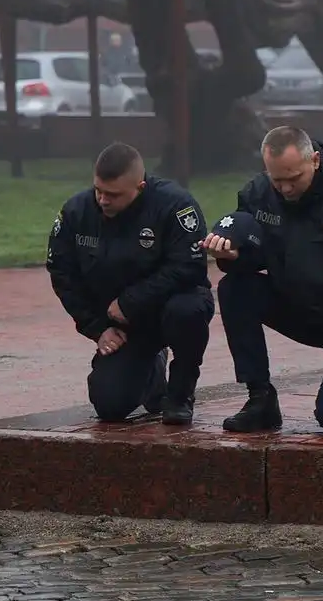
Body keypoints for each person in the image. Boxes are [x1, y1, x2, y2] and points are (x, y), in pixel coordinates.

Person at [202, 126, 323, 434]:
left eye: (293, 178)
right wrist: (231, 255)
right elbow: (256, 254)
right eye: (276, 179)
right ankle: (260, 399)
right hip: (300, 306)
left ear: (316, 160)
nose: (284, 189)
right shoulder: (258, 194)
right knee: (235, 288)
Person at [46, 142, 214, 424]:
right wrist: (97, 328)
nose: (102, 200)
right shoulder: (76, 213)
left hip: (170, 308)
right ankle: (153, 372)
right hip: (123, 325)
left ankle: (180, 393)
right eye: (98, 190)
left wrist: (131, 301)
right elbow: (62, 273)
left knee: (188, 309)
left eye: (113, 194)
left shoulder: (175, 206)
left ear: (141, 187)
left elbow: (189, 266)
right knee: (109, 405)